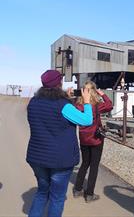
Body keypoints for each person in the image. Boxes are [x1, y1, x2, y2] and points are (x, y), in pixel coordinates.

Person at [26, 70, 93, 217]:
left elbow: (49, 117)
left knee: (42, 192)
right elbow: (87, 120)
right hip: (60, 160)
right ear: (59, 83)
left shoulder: (33, 102)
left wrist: (67, 100)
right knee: (57, 198)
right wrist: (87, 101)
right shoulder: (63, 105)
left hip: (37, 157)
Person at [73, 81, 113, 203]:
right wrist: (103, 94)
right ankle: (89, 194)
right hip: (96, 139)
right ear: (94, 92)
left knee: (85, 163)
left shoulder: (78, 105)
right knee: (94, 166)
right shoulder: (97, 105)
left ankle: (77, 189)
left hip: (84, 139)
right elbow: (110, 105)